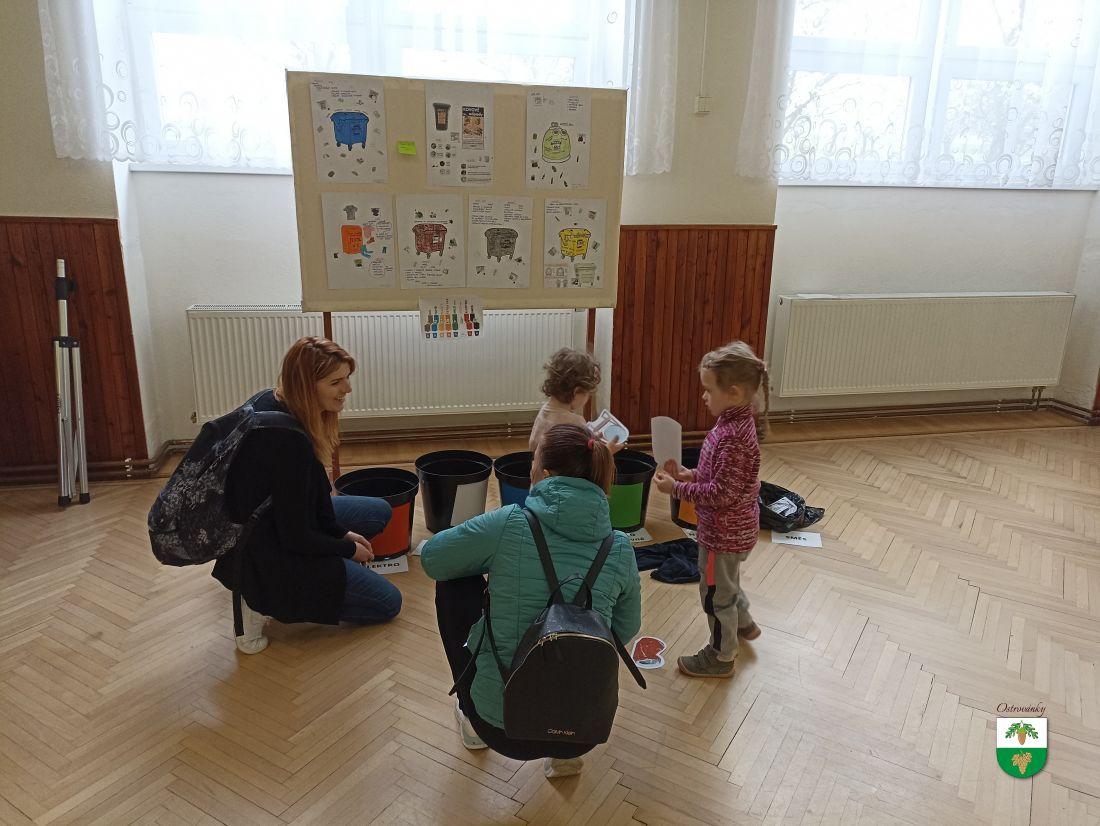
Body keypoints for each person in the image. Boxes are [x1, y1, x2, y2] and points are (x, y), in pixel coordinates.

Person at [422, 424, 641, 778]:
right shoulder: (619, 547)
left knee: (454, 581)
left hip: (500, 726)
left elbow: (433, 558)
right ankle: (564, 757)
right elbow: (625, 628)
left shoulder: (510, 522)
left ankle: (471, 720)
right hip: (584, 730)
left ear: (546, 474)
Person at [212, 336, 401, 653]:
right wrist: (345, 548)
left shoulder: (273, 400)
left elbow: (312, 499)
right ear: (305, 386)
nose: (347, 389)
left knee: (378, 511)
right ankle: (258, 601)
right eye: (335, 382)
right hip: (268, 551)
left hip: (275, 523)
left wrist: (341, 533)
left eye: (346, 378)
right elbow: (295, 537)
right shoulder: (288, 443)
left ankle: (312, 574)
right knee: (388, 602)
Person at [653, 341, 769, 678]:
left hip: (723, 536)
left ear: (733, 392)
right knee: (726, 583)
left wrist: (676, 489)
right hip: (732, 531)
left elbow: (720, 494)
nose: (703, 396)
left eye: (708, 389)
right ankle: (743, 624)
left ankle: (721, 656)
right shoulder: (732, 424)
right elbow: (720, 477)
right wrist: (690, 475)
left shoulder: (733, 437)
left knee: (715, 595)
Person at [528, 348, 624, 454]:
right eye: (588, 393)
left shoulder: (544, 412)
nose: (588, 398)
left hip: (537, 463)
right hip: (563, 465)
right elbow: (585, 459)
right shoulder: (575, 423)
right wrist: (607, 451)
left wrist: (591, 437)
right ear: (576, 392)